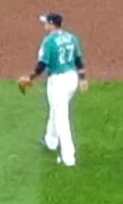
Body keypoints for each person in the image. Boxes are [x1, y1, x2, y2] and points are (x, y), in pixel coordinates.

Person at [18, 12, 87, 167]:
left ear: (52, 24)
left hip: (58, 81)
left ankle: (69, 157)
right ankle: (51, 141)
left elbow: (42, 65)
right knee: (56, 109)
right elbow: (78, 60)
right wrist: (82, 78)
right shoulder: (71, 38)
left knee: (62, 118)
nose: (44, 25)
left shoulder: (48, 42)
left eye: (46, 23)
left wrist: (30, 78)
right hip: (72, 79)